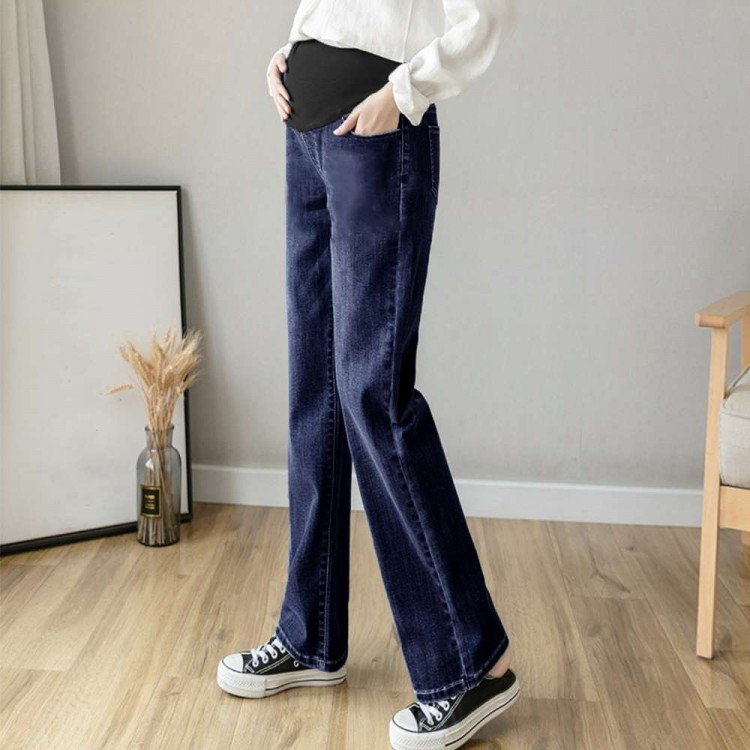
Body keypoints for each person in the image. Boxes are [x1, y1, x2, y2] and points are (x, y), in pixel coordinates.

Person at [217, 1, 519, 747]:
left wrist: (402, 95)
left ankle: (472, 664)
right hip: (305, 132)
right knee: (314, 391)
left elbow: (487, 17)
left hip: (374, 134)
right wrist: (290, 49)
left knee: (372, 395)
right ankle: (310, 635)